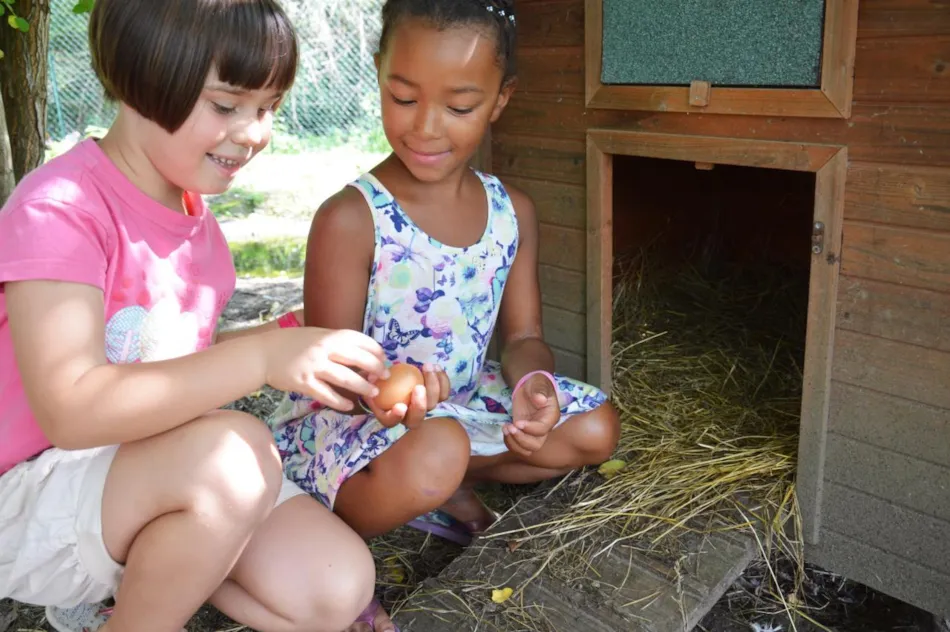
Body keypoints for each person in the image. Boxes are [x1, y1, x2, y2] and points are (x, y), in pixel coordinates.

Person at [0, 1, 396, 630]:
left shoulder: (199, 228)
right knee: (239, 456)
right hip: (30, 495)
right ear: (140, 78)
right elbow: (72, 409)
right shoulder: (61, 209)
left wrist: (285, 337)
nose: (254, 132)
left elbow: (168, 361)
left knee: (337, 587)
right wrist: (261, 359)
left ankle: (150, 576)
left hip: (147, 470)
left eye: (267, 107)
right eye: (227, 105)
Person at [268, 0, 622, 544]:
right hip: (359, 423)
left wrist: (533, 386)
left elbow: (524, 336)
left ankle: (440, 484)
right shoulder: (350, 219)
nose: (426, 127)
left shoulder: (513, 212)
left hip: (458, 402)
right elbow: (331, 374)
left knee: (596, 429)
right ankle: (392, 494)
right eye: (403, 97)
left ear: (500, 99)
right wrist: (388, 392)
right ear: (380, 75)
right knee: (439, 448)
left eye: (458, 107)